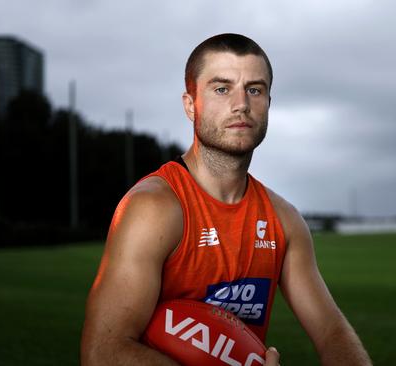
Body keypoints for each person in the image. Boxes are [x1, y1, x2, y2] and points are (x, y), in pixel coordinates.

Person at [81, 33, 372, 366]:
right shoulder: (155, 208)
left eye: (255, 89)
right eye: (222, 89)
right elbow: (102, 353)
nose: (241, 105)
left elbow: (332, 331)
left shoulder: (284, 220)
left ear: (268, 104)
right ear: (191, 104)